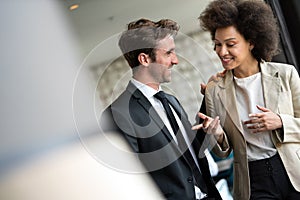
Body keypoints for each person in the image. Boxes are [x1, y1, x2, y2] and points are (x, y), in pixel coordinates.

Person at [100, 18, 222, 200]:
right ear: (145, 59)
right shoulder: (118, 114)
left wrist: (209, 100)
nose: (176, 61)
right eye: (169, 53)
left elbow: (186, 150)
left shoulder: (171, 100)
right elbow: (132, 181)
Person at [192, 0, 300, 199]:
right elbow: (222, 152)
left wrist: (280, 122)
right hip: (253, 181)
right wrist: (216, 133)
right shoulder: (214, 90)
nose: (222, 52)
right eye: (217, 45)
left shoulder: (286, 74)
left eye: (230, 44)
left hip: (294, 171)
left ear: (251, 42)